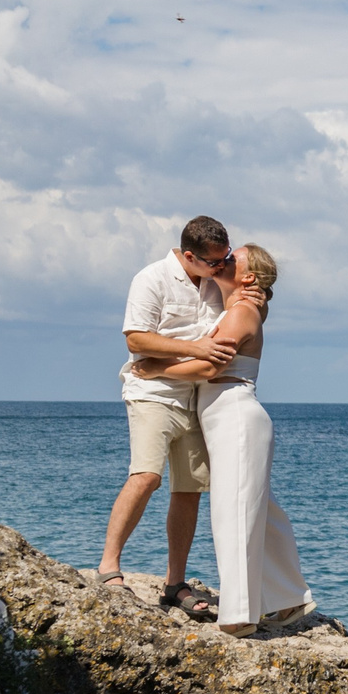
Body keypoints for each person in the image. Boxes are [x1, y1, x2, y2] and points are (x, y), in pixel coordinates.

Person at [130, 242, 312, 637]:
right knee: (260, 509)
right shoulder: (239, 306)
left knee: (235, 513)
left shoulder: (242, 311)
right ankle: (289, 597)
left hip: (235, 415)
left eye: (231, 259)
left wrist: (154, 369)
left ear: (247, 277)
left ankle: (239, 615)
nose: (222, 261)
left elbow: (210, 367)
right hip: (226, 417)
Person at [96, 215, 236, 618]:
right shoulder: (151, 278)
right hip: (152, 393)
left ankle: (175, 582)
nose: (220, 266)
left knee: (190, 488)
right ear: (189, 256)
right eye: (214, 261)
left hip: (198, 397)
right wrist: (195, 350)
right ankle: (108, 566)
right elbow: (136, 339)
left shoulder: (217, 281)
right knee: (146, 475)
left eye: (224, 257)